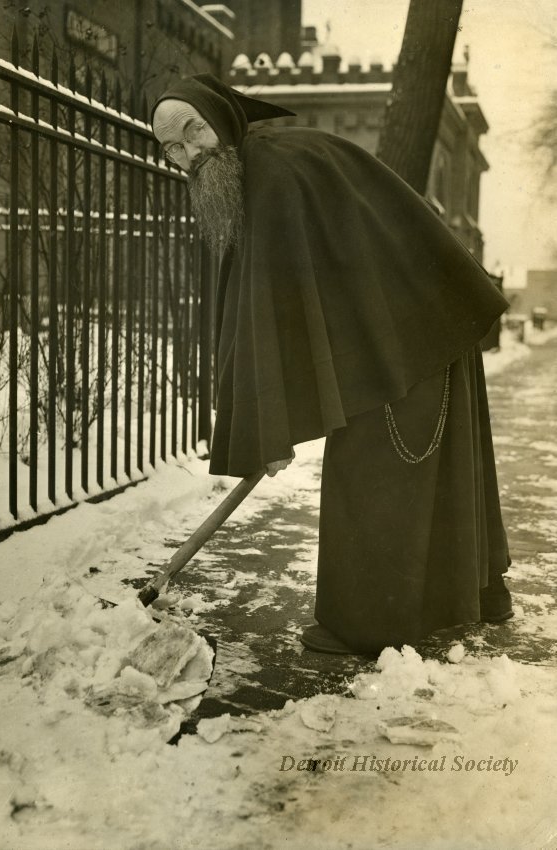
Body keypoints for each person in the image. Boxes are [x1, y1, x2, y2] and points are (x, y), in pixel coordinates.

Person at [151, 74, 513, 655]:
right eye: (172, 146)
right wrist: (272, 422)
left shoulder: (271, 173)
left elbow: (268, 311)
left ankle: (367, 627)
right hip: (419, 327)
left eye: (195, 131)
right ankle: (469, 598)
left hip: (411, 335)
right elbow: (289, 301)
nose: (191, 153)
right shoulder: (266, 163)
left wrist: (269, 425)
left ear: (221, 116)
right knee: (423, 475)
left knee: (372, 477)